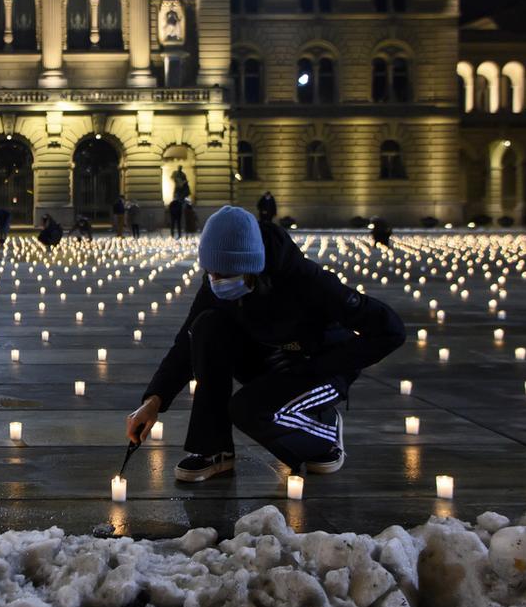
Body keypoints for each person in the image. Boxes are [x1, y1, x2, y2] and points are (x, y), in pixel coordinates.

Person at [126, 206, 405, 482]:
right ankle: (214, 449)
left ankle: (324, 432)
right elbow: (187, 341)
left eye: (224, 275)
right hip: (272, 361)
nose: (216, 281)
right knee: (206, 325)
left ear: (252, 267)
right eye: (211, 273)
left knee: (249, 410)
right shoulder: (217, 278)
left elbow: (390, 331)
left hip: (319, 368)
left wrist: (318, 366)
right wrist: (154, 401)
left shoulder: (306, 281)